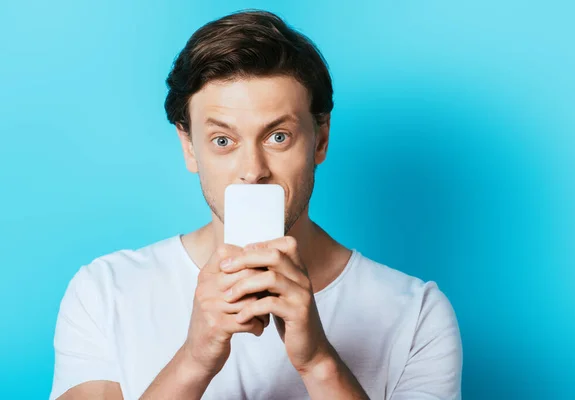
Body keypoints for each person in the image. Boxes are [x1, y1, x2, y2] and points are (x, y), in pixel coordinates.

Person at [49, 9, 462, 400]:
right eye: (223, 141)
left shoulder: (417, 314)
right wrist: (194, 360)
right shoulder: (106, 293)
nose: (253, 170)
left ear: (320, 139)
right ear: (189, 148)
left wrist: (319, 362)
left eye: (277, 136)